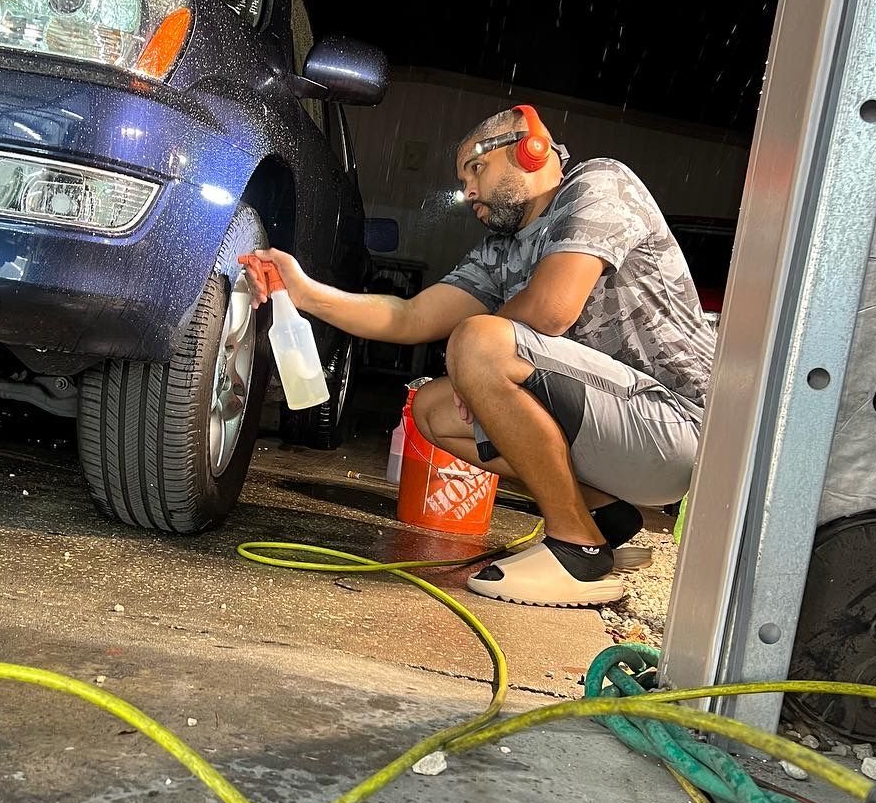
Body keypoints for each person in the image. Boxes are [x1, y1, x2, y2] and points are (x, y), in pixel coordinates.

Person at [239, 106, 714, 607]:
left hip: (680, 425)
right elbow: (408, 316)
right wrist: (307, 291)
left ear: (528, 149)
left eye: (476, 169)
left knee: (478, 339)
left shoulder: (600, 184)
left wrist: (478, 359)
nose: (467, 192)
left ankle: (576, 551)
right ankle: (604, 515)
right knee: (433, 411)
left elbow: (551, 309)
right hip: (618, 427)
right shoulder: (501, 252)